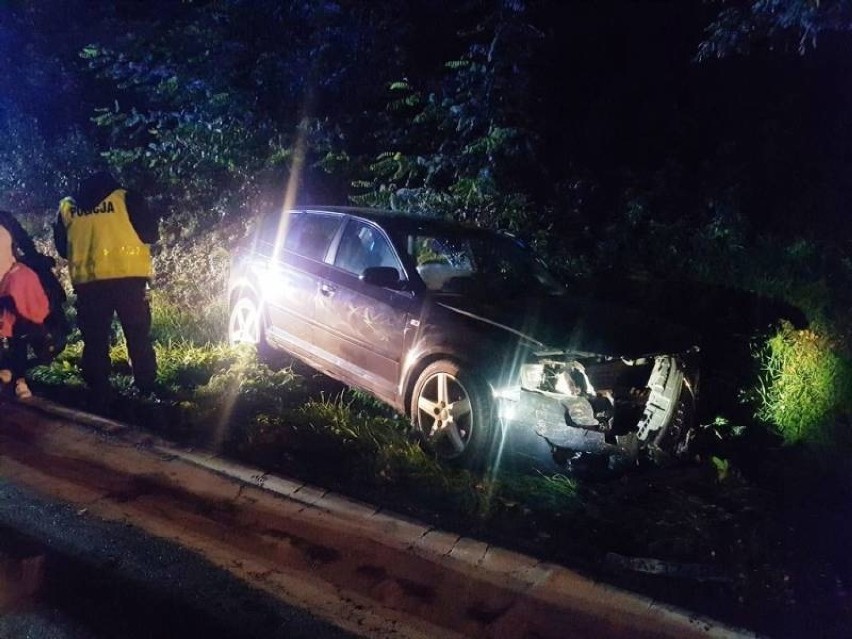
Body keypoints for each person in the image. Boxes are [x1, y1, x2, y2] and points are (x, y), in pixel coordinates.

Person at [54, 172, 159, 400]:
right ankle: (146, 386)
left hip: (89, 283)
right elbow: (151, 234)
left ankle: (98, 387)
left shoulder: (67, 207)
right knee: (136, 333)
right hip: (128, 279)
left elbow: (63, 248)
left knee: (94, 337)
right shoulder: (127, 198)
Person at [0, 214, 50, 399]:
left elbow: (24, 243)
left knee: (17, 332)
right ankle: (12, 375)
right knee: (13, 333)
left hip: (10, 284)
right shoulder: (5, 220)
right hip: (9, 283)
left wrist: (36, 260)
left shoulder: (5, 219)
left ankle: (18, 377)